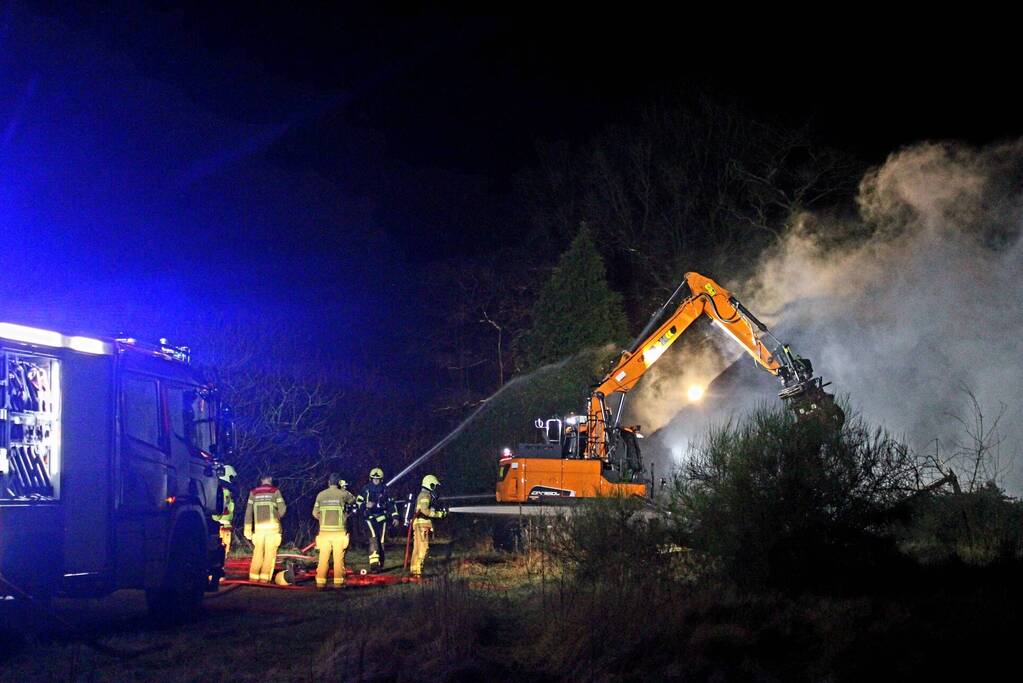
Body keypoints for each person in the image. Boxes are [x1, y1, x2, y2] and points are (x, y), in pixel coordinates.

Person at [312, 473, 357, 588]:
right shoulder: (343, 494)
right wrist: (343, 488)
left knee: (323, 558)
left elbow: (314, 513)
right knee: (338, 559)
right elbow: (353, 500)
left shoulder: (320, 495)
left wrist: (323, 520)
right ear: (338, 483)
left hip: (324, 533)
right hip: (339, 532)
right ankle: (339, 583)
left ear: (328, 482)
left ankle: (320, 583)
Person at [244, 474, 286, 583]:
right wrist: (276, 516)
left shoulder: (253, 493)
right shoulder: (275, 492)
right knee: (269, 554)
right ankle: (264, 579)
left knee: (257, 553)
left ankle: (253, 578)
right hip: (272, 530)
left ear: (261, 480)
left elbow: (248, 513)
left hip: (258, 530)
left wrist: (247, 529)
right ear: (270, 479)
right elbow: (283, 509)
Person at [358, 467, 398, 573]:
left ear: (381, 479)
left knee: (381, 541)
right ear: (371, 479)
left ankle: (380, 563)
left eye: (378, 479)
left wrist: (395, 517)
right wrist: (365, 504)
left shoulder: (385, 490)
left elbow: (391, 504)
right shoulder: (365, 489)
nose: (376, 480)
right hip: (369, 518)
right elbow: (358, 502)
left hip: (382, 519)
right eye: (374, 478)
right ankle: (374, 565)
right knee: (373, 539)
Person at [410, 474, 447, 578]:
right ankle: (417, 573)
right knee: (423, 548)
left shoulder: (424, 495)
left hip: (420, 524)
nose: (436, 489)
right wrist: (440, 514)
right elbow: (425, 511)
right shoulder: (425, 495)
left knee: (417, 548)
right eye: (435, 486)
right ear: (430, 485)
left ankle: (415, 571)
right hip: (422, 525)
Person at [211, 465, 237, 556]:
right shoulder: (224, 490)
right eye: (231, 477)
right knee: (224, 547)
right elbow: (222, 506)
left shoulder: (219, 488)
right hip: (223, 524)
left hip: (221, 523)